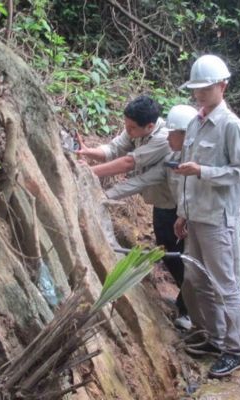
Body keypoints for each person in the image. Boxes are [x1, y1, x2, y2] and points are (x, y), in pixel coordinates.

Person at [173, 54, 240, 378]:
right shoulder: (194, 123)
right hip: (196, 216)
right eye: (196, 89)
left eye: (206, 88)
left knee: (225, 285)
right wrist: (182, 213)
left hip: (219, 219)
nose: (200, 95)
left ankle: (235, 349)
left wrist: (203, 171)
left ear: (223, 85)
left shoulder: (231, 126)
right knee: (196, 279)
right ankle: (214, 338)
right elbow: (184, 173)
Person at [77, 96, 185, 326]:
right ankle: (186, 303)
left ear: (150, 126)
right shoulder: (137, 128)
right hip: (161, 203)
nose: (127, 131)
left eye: (131, 128)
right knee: (169, 253)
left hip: (178, 208)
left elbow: (129, 164)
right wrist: (89, 152)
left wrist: (90, 175)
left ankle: (187, 308)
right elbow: (115, 148)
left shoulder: (165, 140)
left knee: (179, 257)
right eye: (126, 125)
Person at [105, 104, 199, 330]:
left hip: (194, 219)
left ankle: (191, 311)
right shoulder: (173, 155)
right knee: (168, 254)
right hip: (169, 210)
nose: (167, 137)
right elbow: (144, 180)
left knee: (190, 260)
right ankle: (186, 303)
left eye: (173, 134)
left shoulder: (201, 160)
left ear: (186, 135)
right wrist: (105, 195)